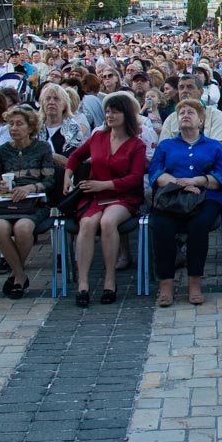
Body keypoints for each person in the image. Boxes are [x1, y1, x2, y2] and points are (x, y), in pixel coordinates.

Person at [63, 93, 148, 307]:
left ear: (126, 114)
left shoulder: (137, 145)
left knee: (108, 222)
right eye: (108, 111)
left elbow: (135, 178)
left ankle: (110, 279)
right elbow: (75, 157)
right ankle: (83, 284)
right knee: (87, 223)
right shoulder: (98, 137)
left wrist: (105, 184)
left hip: (122, 196)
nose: (110, 115)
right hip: (95, 195)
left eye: (115, 111)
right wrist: (67, 177)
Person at [148, 98, 222, 307]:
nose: (185, 114)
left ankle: (195, 283)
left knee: (198, 226)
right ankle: (166, 285)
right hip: (171, 198)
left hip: (205, 197)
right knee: (161, 226)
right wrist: (180, 184)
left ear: (200, 120)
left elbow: (221, 176)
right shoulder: (166, 145)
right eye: (181, 112)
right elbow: (156, 173)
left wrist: (197, 181)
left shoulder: (214, 146)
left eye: (190, 112)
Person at [0, 105, 56, 298]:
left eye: (19, 124)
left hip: (33, 202)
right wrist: (0, 185)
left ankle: (16, 276)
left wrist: (30, 188)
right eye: (11, 124)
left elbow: (49, 181)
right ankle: (19, 274)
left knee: (23, 229)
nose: (14, 128)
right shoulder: (2, 151)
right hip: (7, 201)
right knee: (0, 228)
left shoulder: (42, 148)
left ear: (30, 126)